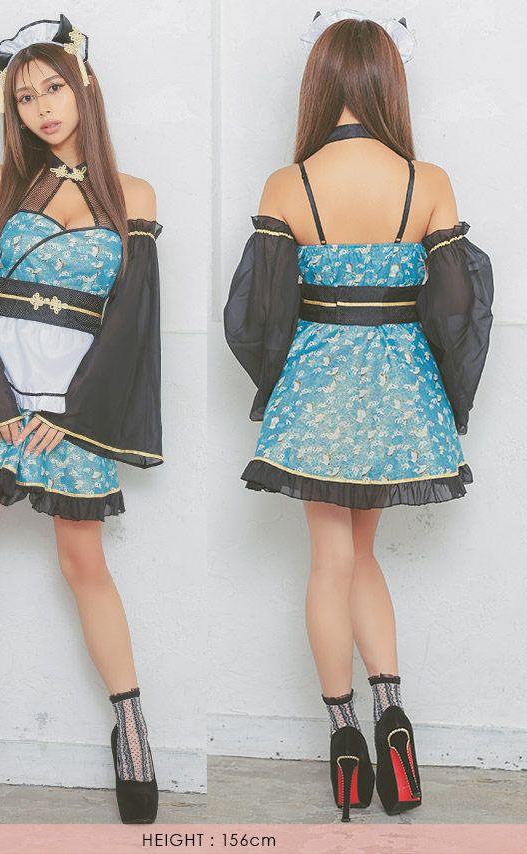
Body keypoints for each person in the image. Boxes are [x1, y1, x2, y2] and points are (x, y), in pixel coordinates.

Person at [224, 11, 493, 822]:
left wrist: (276, 384)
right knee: (367, 557)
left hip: (318, 384)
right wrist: (444, 394)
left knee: (328, 563)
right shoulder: (427, 180)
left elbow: (257, 314)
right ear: (388, 81)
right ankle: (394, 720)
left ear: (318, 81)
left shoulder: (288, 183)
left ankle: (344, 740)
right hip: (400, 387)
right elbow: (458, 307)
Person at [0, 14, 162, 824]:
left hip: (71, 413)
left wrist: (76, 417)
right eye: (24, 97)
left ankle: (132, 728)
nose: (42, 107)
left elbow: (131, 325)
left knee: (85, 564)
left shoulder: (135, 197)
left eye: (53, 87)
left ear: (84, 86)